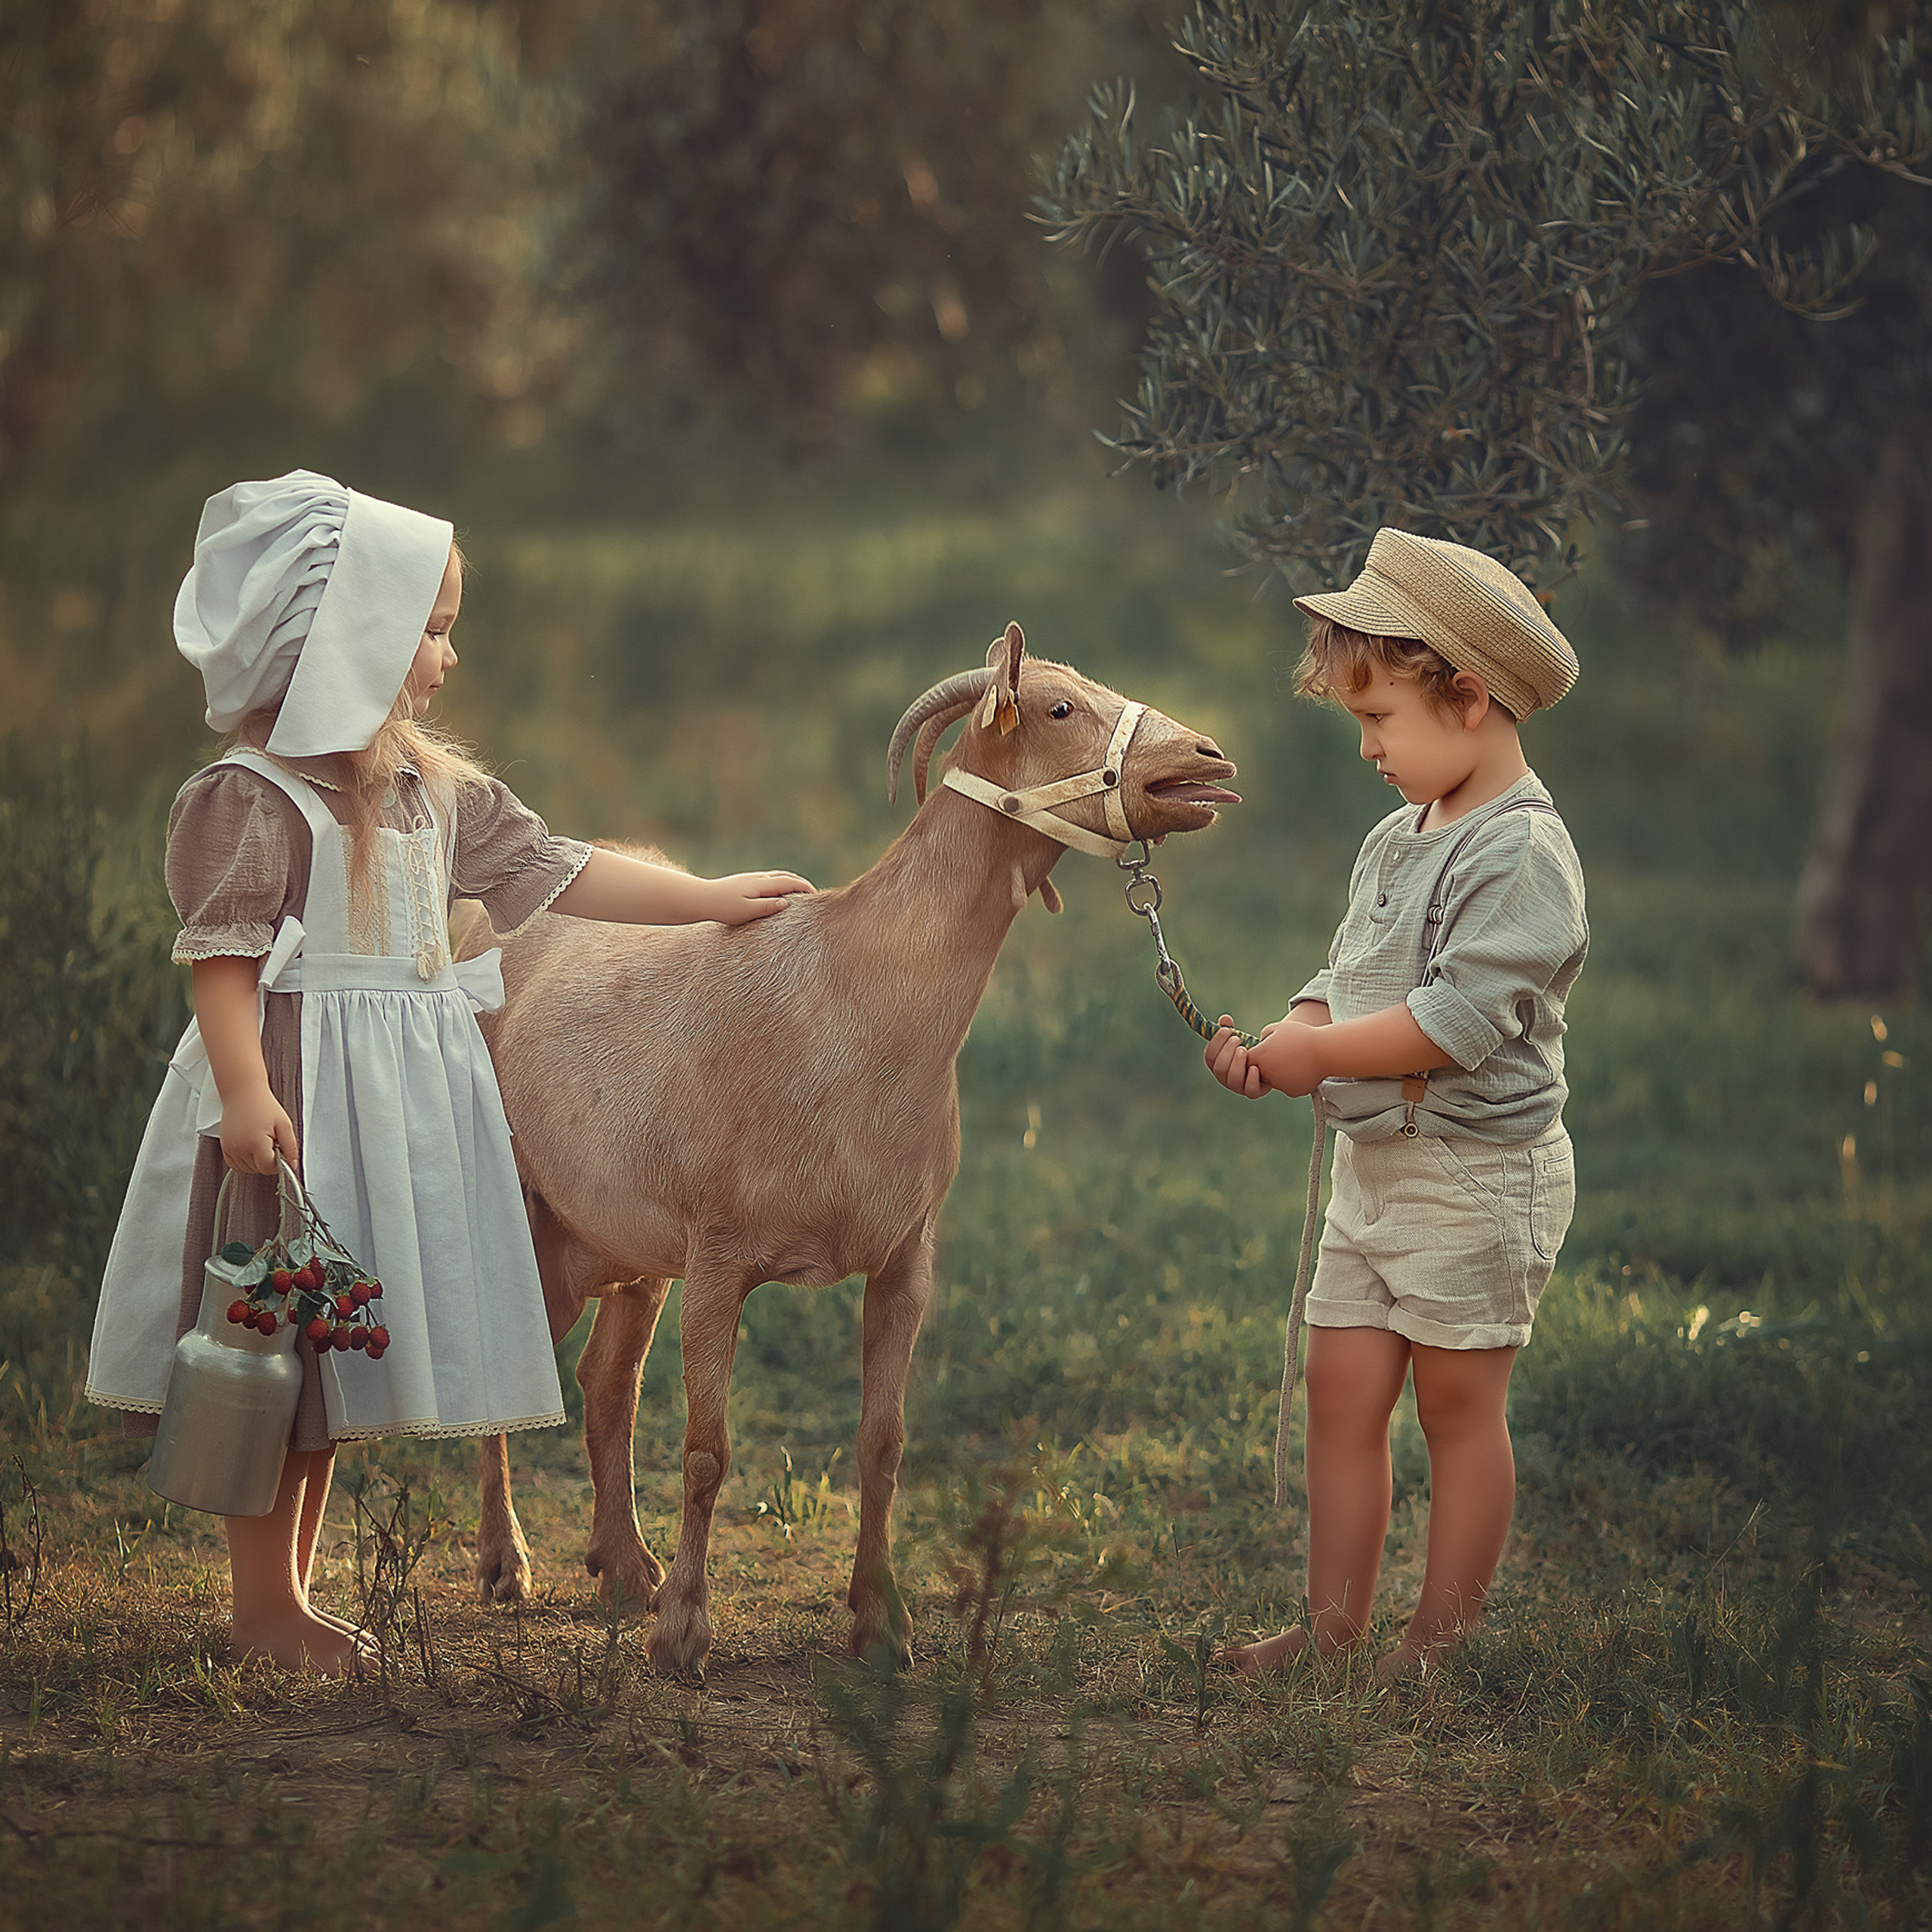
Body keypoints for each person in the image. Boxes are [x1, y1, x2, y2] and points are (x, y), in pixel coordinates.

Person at [87, 471, 811, 1675]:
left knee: (323, 1364)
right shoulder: (250, 799)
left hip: (389, 1114)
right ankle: (262, 1608)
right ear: (347, 640)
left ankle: (293, 1595)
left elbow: (558, 872)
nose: (446, 656)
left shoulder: (429, 790)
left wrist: (705, 900)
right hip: (297, 1094)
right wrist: (246, 1092)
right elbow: (223, 963)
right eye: (427, 630)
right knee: (272, 1355)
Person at [1204, 528, 1586, 1681]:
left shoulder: (1520, 853)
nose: (1367, 747)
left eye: (1380, 721)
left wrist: (1324, 1062)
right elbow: (1348, 982)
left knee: (1458, 1409)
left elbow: (1453, 1025)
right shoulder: (1395, 835)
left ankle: (1436, 1642)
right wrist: (1290, 1041)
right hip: (1378, 1168)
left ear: (1467, 698)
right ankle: (1328, 1634)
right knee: (1342, 1391)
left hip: (1476, 1175)